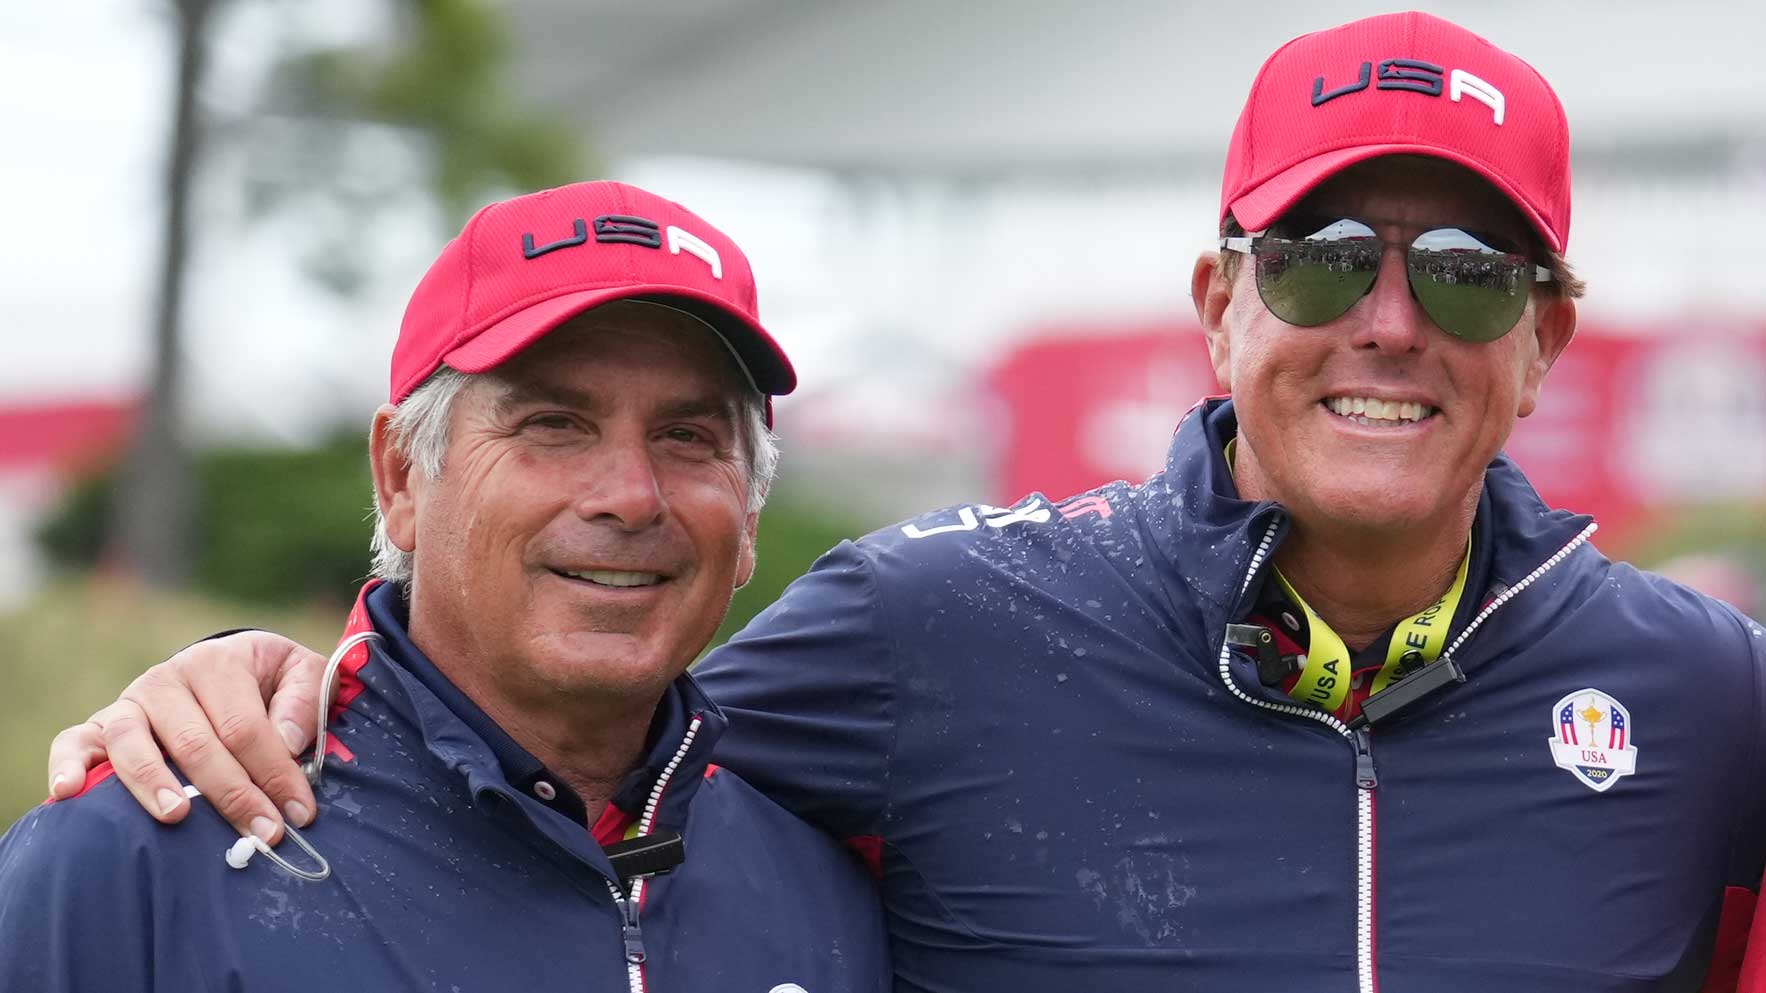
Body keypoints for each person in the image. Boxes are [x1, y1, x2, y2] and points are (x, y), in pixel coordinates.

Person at [39, 12, 1766, 991]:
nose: (1388, 319)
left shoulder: (1701, 695)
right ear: (1220, 301)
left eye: (1466, 273)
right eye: (1319, 260)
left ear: (1543, 337)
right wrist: (251, 673)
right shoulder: (938, 627)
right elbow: (547, 705)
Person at [0, 180, 890, 993]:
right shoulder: (133, 863)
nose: (629, 495)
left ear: (751, 515)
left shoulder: (835, 892)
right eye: (554, 423)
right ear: (400, 479)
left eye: (689, 436)